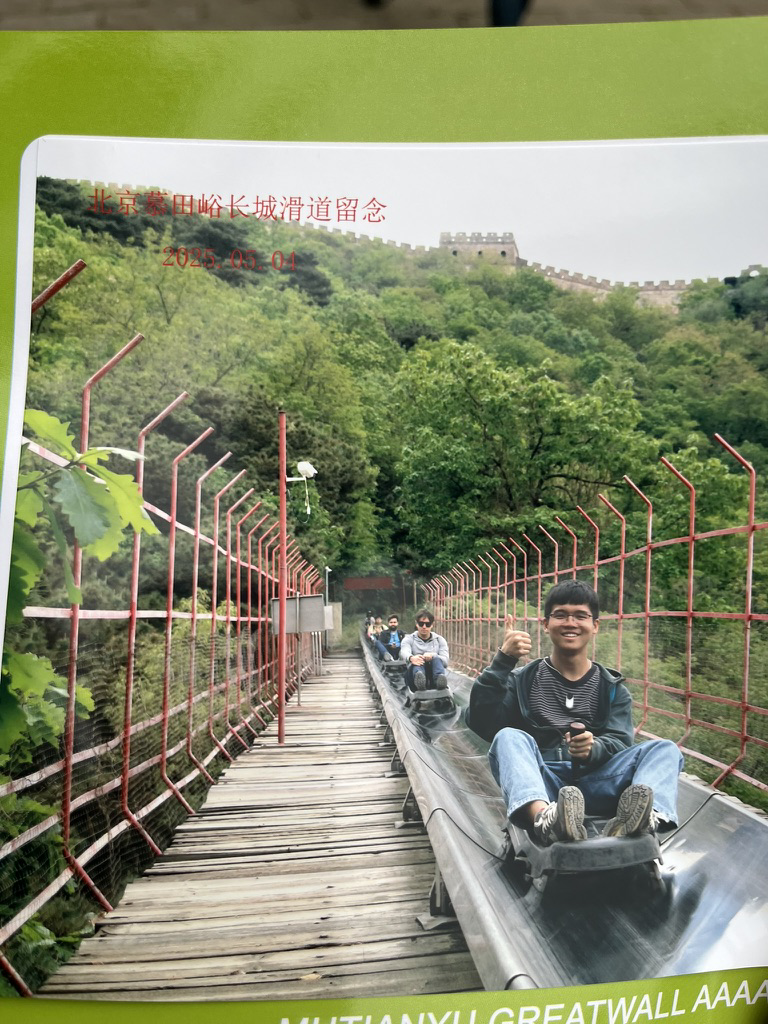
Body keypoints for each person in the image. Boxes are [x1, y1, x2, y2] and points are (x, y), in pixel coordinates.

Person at [466, 580, 683, 847]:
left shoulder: (612, 688)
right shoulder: (523, 680)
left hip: (599, 781)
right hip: (543, 782)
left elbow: (620, 742)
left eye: (581, 616)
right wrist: (502, 661)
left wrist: (594, 748)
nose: (571, 623)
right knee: (508, 736)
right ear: (546, 624)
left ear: (595, 625)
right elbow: (481, 722)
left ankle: (645, 818)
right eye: (560, 615)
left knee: (665, 749)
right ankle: (547, 820)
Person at [400, 610, 450, 691]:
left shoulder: (439, 640)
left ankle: (439, 681)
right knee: (418, 661)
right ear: (416, 624)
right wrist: (411, 658)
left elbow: (445, 661)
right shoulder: (409, 639)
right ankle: (420, 681)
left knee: (437, 659)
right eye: (421, 624)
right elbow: (404, 652)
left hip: (432, 673)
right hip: (414, 674)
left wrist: (433, 656)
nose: (424, 627)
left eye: (427, 624)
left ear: (432, 625)